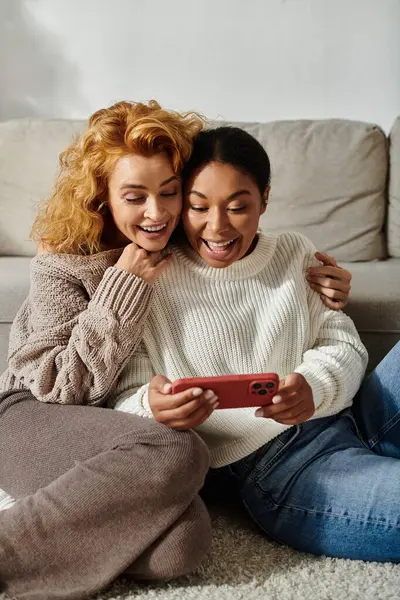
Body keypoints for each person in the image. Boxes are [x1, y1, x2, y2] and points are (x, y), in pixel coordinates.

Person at [0, 100, 352, 599]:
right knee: (179, 450)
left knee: (181, 546)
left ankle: (57, 508)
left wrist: (322, 281)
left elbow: (238, 242)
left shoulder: (175, 248)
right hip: (28, 413)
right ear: (101, 197)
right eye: (135, 196)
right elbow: (58, 388)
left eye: (170, 193)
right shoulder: (64, 261)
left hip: (117, 440)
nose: (157, 212)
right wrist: (121, 288)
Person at [114, 125, 400, 563]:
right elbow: (122, 395)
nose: (218, 226)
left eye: (238, 207)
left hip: (354, 414)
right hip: (283, 469)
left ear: (264, 200)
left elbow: (343, 344)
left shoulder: (294, 252)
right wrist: (151, 408)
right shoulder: (149, 277)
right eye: (197, 206)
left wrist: (313, 387)